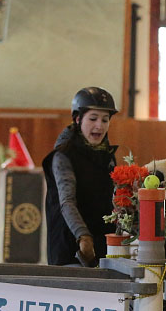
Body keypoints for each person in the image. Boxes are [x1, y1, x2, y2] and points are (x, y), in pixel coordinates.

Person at [42, 87, 118, 266]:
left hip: (101, 247)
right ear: (78, 119)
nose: (99, 125)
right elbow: (67, 202)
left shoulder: (107, 155)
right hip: (70, 248)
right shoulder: (63, 156)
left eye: (105, 120)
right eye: (93, 118)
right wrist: (83, 237)